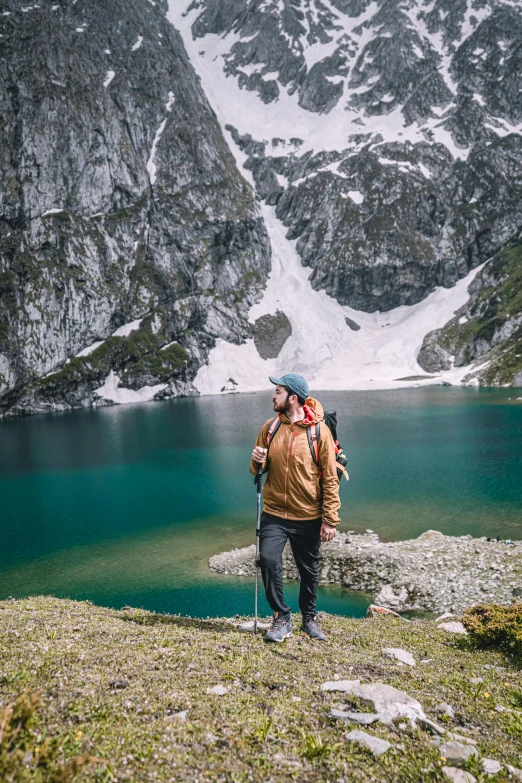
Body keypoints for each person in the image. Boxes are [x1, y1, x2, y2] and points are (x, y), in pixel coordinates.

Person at [250, 373, 340, 642]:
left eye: (277, 391)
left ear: (293, 398)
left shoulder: (318, 431)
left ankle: (309, 618)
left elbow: (330, 476)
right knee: (267, 559)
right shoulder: (270, 427)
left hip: (308, 515)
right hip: (274, 513)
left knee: (308, 569)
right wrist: (256, 460)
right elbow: (257, 469)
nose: (272, 396)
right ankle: (281, 617)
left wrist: (330, 519)